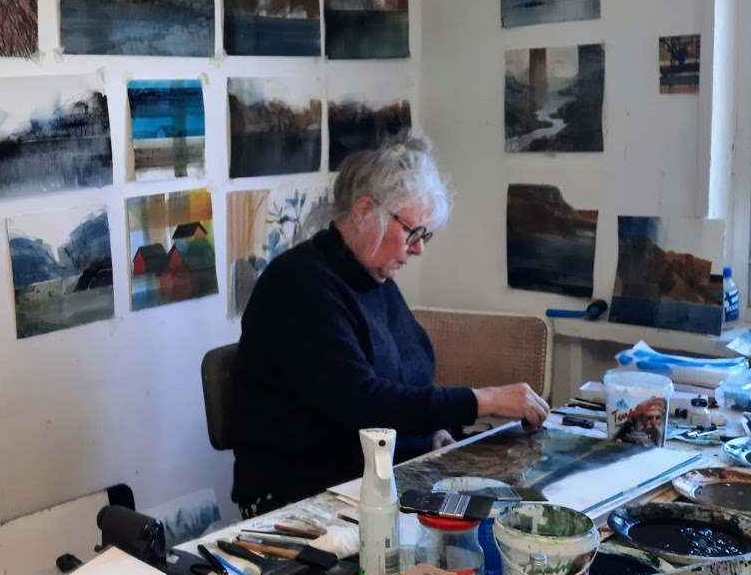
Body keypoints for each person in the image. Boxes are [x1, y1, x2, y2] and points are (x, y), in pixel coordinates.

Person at [230, 129, 550, 516]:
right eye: (412, 232)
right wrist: (484, 400)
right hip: (302, 494)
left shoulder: (371, 275)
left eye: (424, 235)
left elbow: (406, 377)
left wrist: (432, 431)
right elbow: (363, 403)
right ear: (365, 211)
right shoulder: (301, 285)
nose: (418, 248)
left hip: (376, 475)